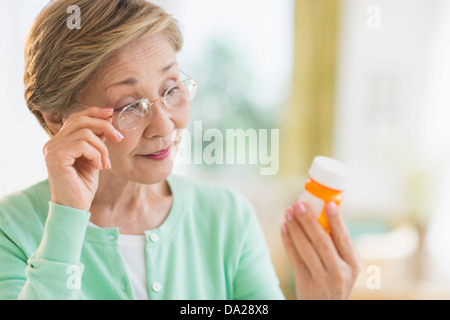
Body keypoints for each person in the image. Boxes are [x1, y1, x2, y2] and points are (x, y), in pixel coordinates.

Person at [0, 0, 360, 300]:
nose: (165, 126)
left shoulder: (226, 217)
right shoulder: (12, 228)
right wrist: (67, 215)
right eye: (129, 106)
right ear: (58, 120)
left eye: (171, 89)